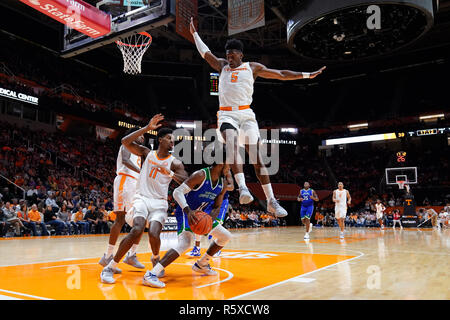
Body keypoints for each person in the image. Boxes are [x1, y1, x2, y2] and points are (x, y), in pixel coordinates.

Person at [189, 17, 326, 217]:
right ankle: (243, 188)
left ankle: (271, 201)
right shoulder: (221, 66)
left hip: (247, 114)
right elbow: (205, 53)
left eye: (233, 55)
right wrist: (194, 34)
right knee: (232, 145)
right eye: (227, 54)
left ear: (241, 55)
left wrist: (306, 75)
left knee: (257, 159)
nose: (229, 58)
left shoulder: (252, 68)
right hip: (227, 114)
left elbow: (281, 74)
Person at [101, 115, 187, 284]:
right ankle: (109, 266)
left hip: (160, 202)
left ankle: (155, 259)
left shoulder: (175, 162)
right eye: (169, 138)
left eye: (174, 140)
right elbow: (125, 141)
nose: (172, 142)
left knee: (154, 233)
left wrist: (168, 172)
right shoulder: (147, 153)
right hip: (141, 198)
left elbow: (185, 179)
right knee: (137, 229)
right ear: (160, 139)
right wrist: (147, 128)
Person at [142, 162, 234, 288]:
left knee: (225, 236)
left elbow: (217, 206)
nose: (229, 169)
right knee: (185, 244)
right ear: (220, 164)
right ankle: (151, 274)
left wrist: (209, 219)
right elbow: (177, 192)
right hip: (185, 212)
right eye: (228, 166)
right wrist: (188, 211)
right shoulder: (200, 175)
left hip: (202, 215)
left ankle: (202, 264)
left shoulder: (222, 184)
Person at [99, 127, 146, 271]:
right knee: (120, 219)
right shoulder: (126, 145)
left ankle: (131, 255)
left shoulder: (140, 151)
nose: (143, 137)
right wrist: (141, 171)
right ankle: (107, 256)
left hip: (135, 184)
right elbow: (125, 160)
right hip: (125, 182)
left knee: (141, 219)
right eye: (141, 134)